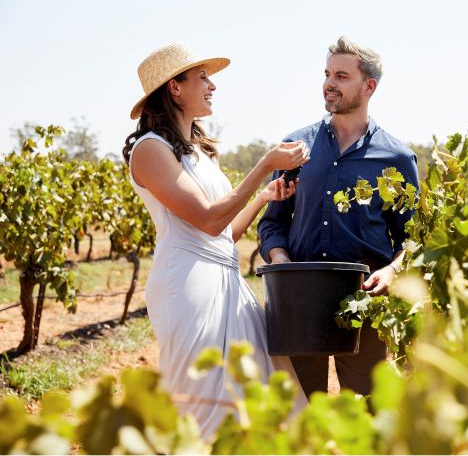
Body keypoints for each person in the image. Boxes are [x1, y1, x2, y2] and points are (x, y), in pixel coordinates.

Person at [123, 42, 308, 439]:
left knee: (263, 393)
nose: (212, 86)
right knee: (205, 406)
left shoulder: (199, 152)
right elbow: (208, 220)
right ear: (174, 87)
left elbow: (224, 235)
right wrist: (264, 165)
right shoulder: (149, 150)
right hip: (187, 288)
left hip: (226, 281)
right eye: (202, 77)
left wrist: (263, 196)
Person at [258, 36, 419, 397]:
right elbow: (272, 222)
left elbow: (412, 238)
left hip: (365, 304)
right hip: (299, 301)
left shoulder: (396, 158)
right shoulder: (295, 148)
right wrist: (281, 259)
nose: (330, 83)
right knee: (299, 414)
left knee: (366, 412)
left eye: (342, 76)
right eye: (328, 74)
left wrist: (392, 271)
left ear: (369, 86)